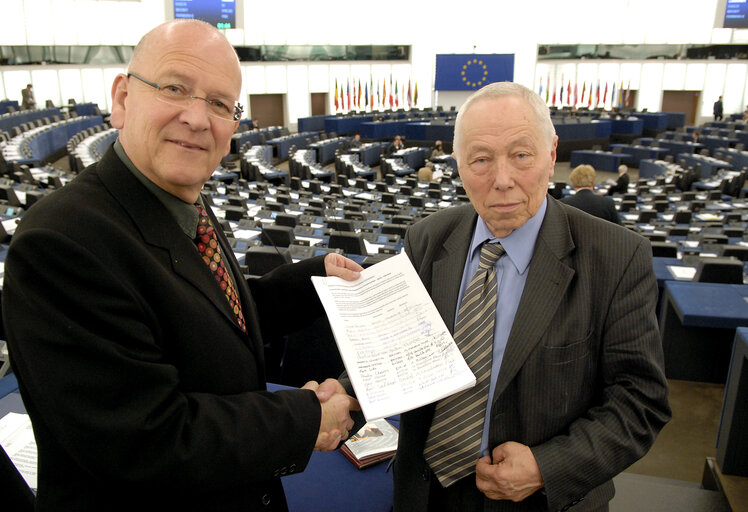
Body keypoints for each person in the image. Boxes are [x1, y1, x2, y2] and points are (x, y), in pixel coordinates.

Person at [3, 19, 363, 510]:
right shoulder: (61, 243)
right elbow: (145, 440)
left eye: (219, 103)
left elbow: (209, 316)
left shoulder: (182, 200)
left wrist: (312, 279)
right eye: (175, 88)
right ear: (123, 99)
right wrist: (304, 419)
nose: (197, 119)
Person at [390, 82, 670, 511]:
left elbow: (639, 402)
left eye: (521, 155)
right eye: (480, 159)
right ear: (457, 163)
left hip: (544, 500)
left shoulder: (617, 257)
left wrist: (546, 466)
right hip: (426, 494)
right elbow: (399, 348)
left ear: (553, 152)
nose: (502, 181)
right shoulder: (426, 238)